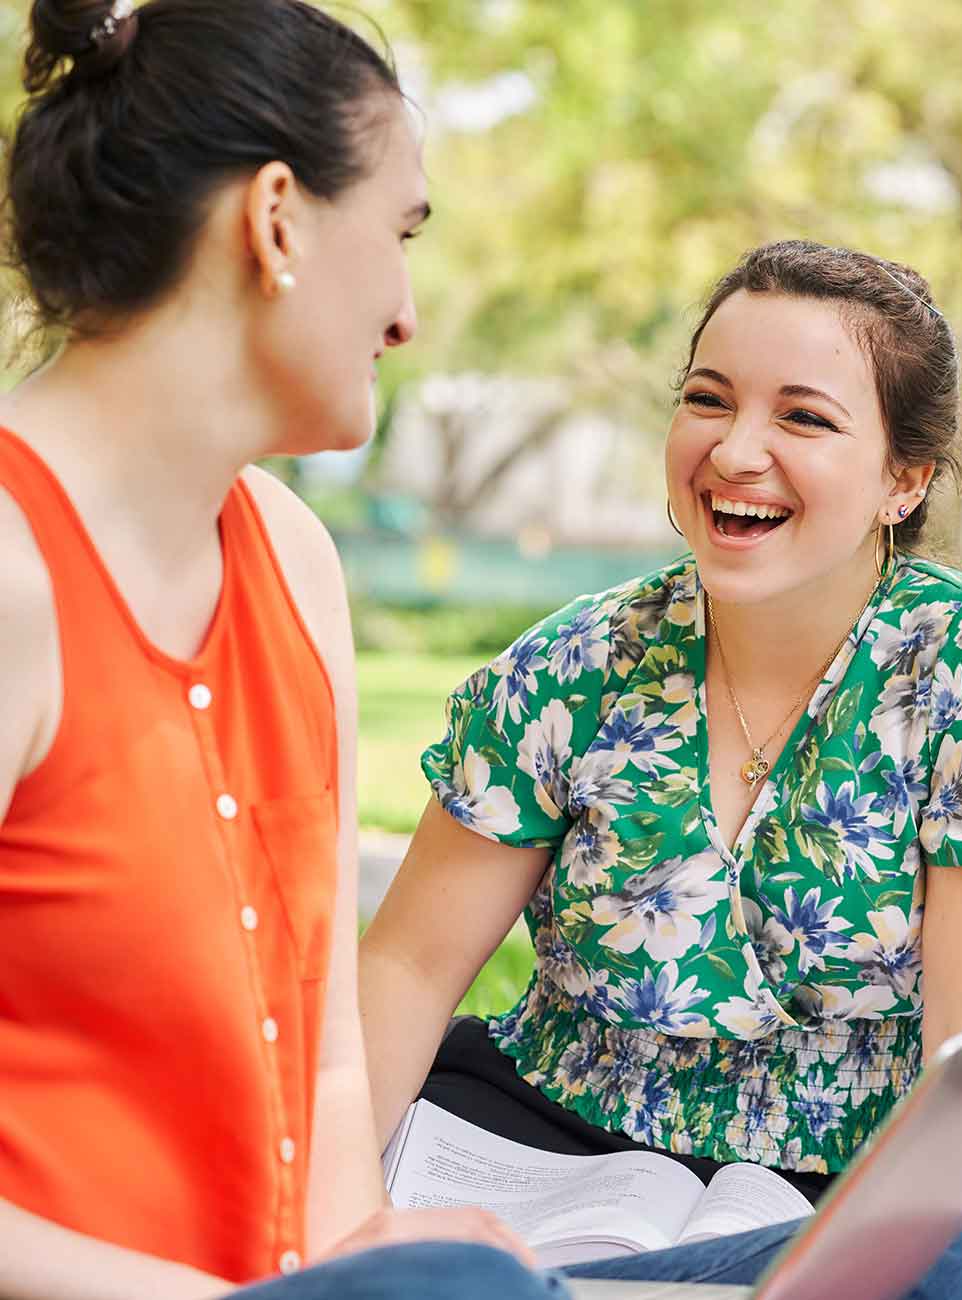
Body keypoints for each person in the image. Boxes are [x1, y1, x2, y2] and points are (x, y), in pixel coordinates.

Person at [357, 238, 962, 1297]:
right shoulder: (573, 664)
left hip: (819, 1202)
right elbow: (406, 971)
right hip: (538, 1158)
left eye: (803, 417)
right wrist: (325, 1221)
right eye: (708, 399)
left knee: (961, 1259)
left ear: (905, 478)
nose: (736, 450)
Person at [0, 1, 574, 1296]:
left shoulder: (296, 567)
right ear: (276, 221)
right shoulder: (10, 577)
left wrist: (373, 1259)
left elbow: (320, 1067)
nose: (411, 313)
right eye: (402, 233)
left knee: (944, 1256)